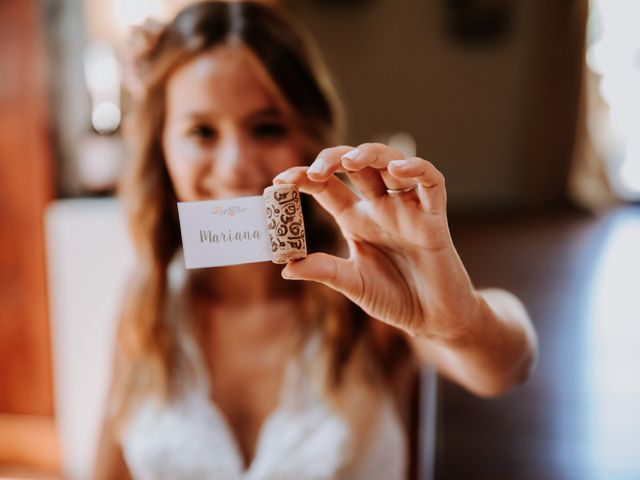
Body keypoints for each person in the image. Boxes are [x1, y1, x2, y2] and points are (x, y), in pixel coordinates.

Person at [93, 1, 538, 479]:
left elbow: (508, 366)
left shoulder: (368, 291)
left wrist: (460, 320)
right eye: (202, 132)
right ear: (162, 146)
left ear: (308, 136)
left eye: (267, 127)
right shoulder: (148, 304)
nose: (235, 166)